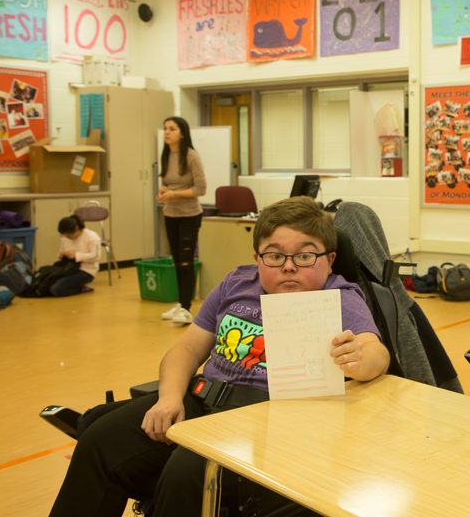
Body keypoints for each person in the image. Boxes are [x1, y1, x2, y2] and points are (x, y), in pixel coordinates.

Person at [49, 196, 391, 516]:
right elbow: (186, 348)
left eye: (304, 256)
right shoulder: (236, 283)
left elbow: (376, 352)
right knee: (99, 441)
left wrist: (361, 358)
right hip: (200, 400)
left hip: (265, 421)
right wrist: (169, 399)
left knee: (186, 474)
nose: (289, 267)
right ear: (257, 258)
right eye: (274, 255)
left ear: (329, 260)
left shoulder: (338, 297)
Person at [157, 116, 206, 324]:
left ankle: (187, 308)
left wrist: (174, 195)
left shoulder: (192, 156)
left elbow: (200, 189)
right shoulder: (167, 155)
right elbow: (168, 183)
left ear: (182, 133)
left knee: (186, 262)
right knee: (177, 261)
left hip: (189, 215)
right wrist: (164, 190)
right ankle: (181, 302)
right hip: (171, 214)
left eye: (172, 129)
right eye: (165, 128)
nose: (167, 132)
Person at [52, 214, 101, 296]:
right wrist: (63, 254)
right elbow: (60, 254)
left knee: (56, 289)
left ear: (77, 228)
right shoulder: (65, 237)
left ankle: (81, 288)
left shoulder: (92, 236)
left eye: (69, 235)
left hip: (86, 270)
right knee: (47, 283)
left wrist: (76, 256)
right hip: (68, 267)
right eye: (64, 235)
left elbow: (96, 257)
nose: (67, 237)